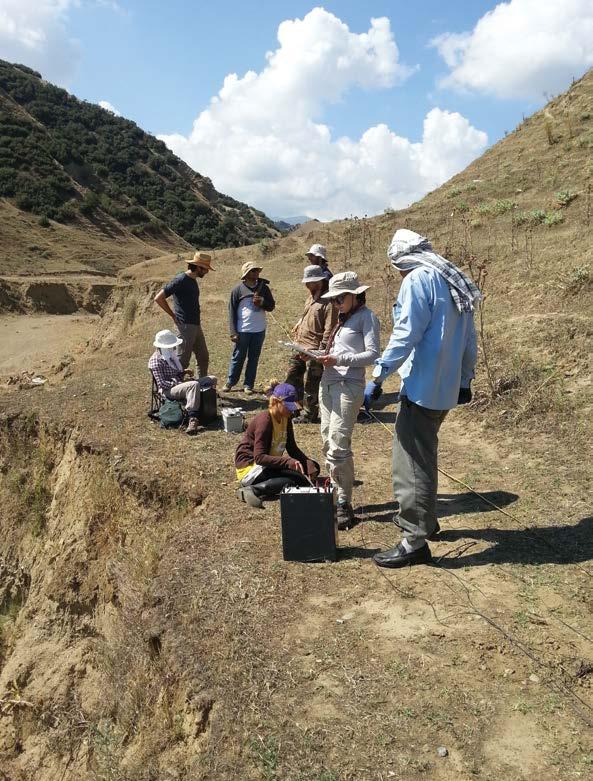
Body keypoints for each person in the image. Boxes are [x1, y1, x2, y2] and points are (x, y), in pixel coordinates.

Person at [368, 229, 480, 569]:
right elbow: (469, 338)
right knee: (425, 454)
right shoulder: (452, 279)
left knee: (411, 463)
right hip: (445, 389)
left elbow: (406, 334)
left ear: (401, 259)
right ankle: (427, 522)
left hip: (422, 387)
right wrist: (464, 378)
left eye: (397, 267)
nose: (399, 273)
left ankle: (414, 541)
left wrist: (379, 375)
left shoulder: (418, 280)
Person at [317, 271, 380, 529]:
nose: (336, 303)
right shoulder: (342, 318)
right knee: (326, 438)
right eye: (333, 299)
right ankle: (333, 492)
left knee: (339, 442)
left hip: (348, 385)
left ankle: (344, 502)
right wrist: (319, 355)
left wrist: (339, 360)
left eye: (340, 298)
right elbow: (339, 351)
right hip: (328, 382)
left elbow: (373, 354)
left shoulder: (367, 318)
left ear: (355, 295)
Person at [235, 382, 319, 508]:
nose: (292, 410)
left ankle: (292, 476)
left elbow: (292, 448)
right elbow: (259, 457)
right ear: (276, 402)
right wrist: (287, 462)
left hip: (268, 465)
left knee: (312, 468)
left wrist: (308, 464)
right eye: (288, 406)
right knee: (293, 481)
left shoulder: (286, 419)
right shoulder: (265, 421)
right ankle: (254, 490)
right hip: (251, 467)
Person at [285, 265, 338, 424]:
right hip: (299, 345)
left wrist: (320, 351)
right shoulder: (310, 297)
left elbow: (330, 328)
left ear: (320, 281)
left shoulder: (329, 301)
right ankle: (292, 408)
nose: (307, 285)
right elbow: (307, 315)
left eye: (311, 282)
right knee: (292, 377)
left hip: (315, 350)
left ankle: (309, 414)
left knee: (312, 384)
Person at [154, 251, 214, 377]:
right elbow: (159, 298)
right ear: (198, 267)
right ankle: (173, 388)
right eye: (205, 269)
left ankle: (202, 386)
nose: (207, 272)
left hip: (196, 325)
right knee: (182, 361)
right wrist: (173, 315)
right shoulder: (181, 279)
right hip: (185, 326)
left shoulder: (193, 280)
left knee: (203, 357)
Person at [148, 329, 217, 436]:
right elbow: (162, 384)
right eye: (172, 345)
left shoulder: (170, 355)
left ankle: (207, 410)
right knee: (193, 385)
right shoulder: (155, 361)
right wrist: (180, 384)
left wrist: (184, 372)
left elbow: (175, 373)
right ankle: (192, 418)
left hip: (178, 384)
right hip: (168, 390)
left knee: (212, 379)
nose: (174, 347)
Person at [223, 260, 275, 394]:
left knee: (254, 357)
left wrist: (262, 302)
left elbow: (271, 306)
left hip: (259, 330)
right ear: (246, 274)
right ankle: (231, 382)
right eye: (253, 270)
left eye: (257, 270)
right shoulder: (237, 290)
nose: (257, 272)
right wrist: (233, 331)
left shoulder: (264, 288)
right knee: (238, 356)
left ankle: (248, 385)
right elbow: (232, 312)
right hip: (243, 330)